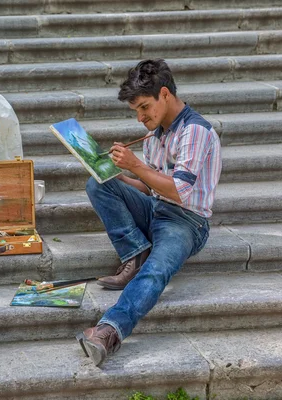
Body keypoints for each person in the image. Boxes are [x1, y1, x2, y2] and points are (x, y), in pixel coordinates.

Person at [76, 59, 222, 367]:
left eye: (145, 107)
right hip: (154, 208)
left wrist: (136, 165)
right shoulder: (155, 135)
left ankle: (108, 331)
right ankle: (134, 250)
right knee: (98, 185)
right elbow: (147, 188)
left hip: (186, 222)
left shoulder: (195, 131)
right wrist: (113, 173)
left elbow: (178, 191)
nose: (141, 117)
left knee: (156, 271)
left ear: (165, 94)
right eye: (137, 111)